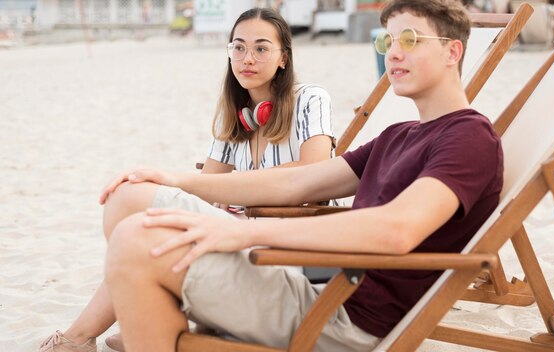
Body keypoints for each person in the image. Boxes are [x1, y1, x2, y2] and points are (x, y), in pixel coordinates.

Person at [104, 0, 503, 351]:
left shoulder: (469, 136)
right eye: (387, 41)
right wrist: (177, 180)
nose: (393, 54)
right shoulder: (398, 134)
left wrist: (248, 232)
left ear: (453, 51)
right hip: (316, 280)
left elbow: (397, 230)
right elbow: (297, 182)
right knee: (136, 197)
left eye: (410, 40)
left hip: (342, 315)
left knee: (135, 241)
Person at [38, 7, 335, 352]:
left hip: (284, 243)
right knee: (143, 221)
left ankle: (85, 335)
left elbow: (314, 172)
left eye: (261, 48)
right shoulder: (238, 116)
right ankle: (117, 323)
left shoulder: (310, 99)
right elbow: (208, 186)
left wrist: (229, 189)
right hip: (235, 235)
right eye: (237, 48)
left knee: (134, 202)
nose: (247, 58)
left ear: (283, 57)